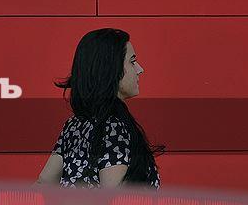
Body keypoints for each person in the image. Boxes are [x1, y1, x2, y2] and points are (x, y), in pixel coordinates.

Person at [36, 28, 163, 188]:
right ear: (111, 69)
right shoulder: (113, 126)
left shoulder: (74, 125)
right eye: (132, 61)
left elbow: (44, 181)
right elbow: (113, 194)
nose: (140, 69)